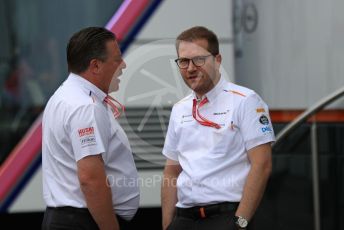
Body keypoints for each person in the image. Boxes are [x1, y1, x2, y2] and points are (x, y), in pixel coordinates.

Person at [161, 26, 275, 230]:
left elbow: (262, 164)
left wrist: (240, 223)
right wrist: (168, 225)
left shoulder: (246, 101)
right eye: (183, 61)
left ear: (218, 60)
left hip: (225, 218)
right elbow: (171, 172)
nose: (190, 68)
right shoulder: (179, 109)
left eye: (199, 59)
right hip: (184, 220)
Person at [41, 27, 139, 230]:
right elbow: (90, 179)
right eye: (117, 59)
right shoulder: (86, 106)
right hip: (84, 222)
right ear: (95, 65)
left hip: (68, 219)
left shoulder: (62, 96)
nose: (123, 65)